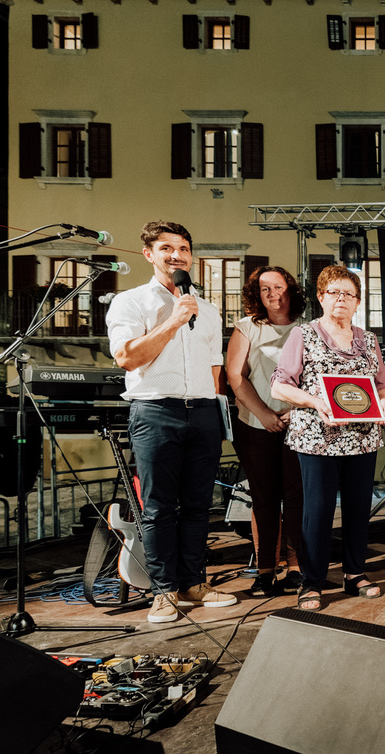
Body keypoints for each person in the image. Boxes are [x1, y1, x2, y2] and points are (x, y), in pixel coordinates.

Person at [106, 220, 237, 623]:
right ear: (149, 254)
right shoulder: (129, 302)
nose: (176, 255)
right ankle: (163, 592)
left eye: (183, 248)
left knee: (199, 505)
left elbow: (216, 368)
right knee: (159, 507)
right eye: (167, 248)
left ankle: (194, 582)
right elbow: (127, 357)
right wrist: (174, 320)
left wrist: (214, 413)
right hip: (155, 410)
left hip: (202, 412)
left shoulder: (210, 310)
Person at [271, 266, 385, 611]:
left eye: (348, 294)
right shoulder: (303, 335)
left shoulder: (368, 340)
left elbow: (383, 386)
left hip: (363, 437)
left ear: (357, 302)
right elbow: (280, 385)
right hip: (318, 438)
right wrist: (314, 402)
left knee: (358, 508)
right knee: (319, 510)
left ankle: (355, 573)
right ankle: (312, 582)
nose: (341, 299)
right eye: (334, 293)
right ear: (321, 297)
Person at [225, 265, 307, 597]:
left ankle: (298, 567)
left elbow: (317, 380)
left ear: (291, 289)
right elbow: (235, 375)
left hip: (300, 424)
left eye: (278, 287)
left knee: (298, 498)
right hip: (255, 424)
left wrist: (292, 412)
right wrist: (265, 414)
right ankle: (265, 571)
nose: (272, 294)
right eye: (264, 289)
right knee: (264, 499)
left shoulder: (308, 329)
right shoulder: (247, 327)